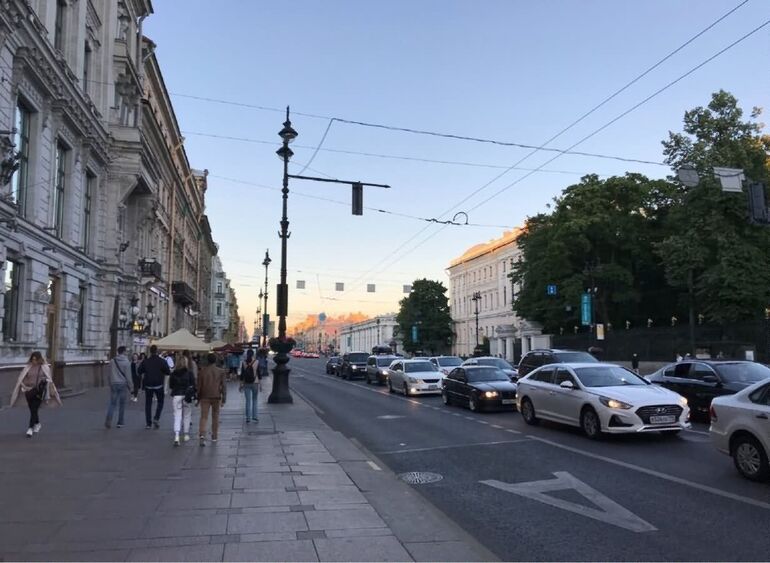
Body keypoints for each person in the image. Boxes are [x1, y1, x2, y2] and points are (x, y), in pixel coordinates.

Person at [10, 351, 62, 437]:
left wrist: (46, 383)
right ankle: (37, 423)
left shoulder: (44, 367)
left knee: (34, 408)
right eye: (32, 359)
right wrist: (25, 386)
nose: (34, 361)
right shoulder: (28, 367)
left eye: (35, 359)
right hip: (28, 391)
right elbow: (22, 378)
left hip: (39, 391)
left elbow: (49, 379)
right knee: (32, 410)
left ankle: (30, 428)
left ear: (39, 359)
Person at [197, 352, 226, 447]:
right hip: (216, 396)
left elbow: (199, 387)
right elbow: (224, 386)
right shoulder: (221, 371)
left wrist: (198, 398)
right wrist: (224, 398)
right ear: (216, 360)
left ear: (207, 361)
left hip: (204, 396)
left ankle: (202, 434)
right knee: (215, 416)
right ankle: (214, 436)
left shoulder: (202, 371)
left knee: (204, 416)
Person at [138, 345, 170, 429]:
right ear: (157, 351)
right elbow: (168, 372)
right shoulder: (162, 361)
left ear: (150, 351)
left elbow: (139, 371)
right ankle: (156, 417)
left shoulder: (146, 361)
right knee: (160, 402)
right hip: (158, 384)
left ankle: (148, 423)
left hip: (148, 385)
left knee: (148, 404)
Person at [169, 356, 195, 446]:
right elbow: (193, 385)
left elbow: (171, 386)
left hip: (177, 395)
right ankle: (186, 434)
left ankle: (176, 436)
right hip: (187, 396)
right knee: (187, 415)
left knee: (177, 416)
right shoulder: (189, 373)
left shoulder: (173, 373)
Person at [105, 346, 132, 429]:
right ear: (123, 352)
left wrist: (110, 382)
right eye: (126, 351)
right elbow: (128, 376)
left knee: (112, 403)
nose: (126, 353)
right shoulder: (127, 362)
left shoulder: (112, 361)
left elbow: (108, 373)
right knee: (122, 404)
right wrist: (131, 386)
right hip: (123, 384)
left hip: (113, 383)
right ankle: (120, 422)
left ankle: (108, 420)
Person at [239, 349, 260, 423]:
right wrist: (260, 384)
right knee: (255, 400)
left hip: (246, 383)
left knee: (248, 401)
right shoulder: (257, 362)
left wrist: (240, 384)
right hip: (255, 383)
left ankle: (248, 418)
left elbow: (242, 374)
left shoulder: (244, 362)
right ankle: (255, 416)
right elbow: (259, 373)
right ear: (253, 354)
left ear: (247, 354)